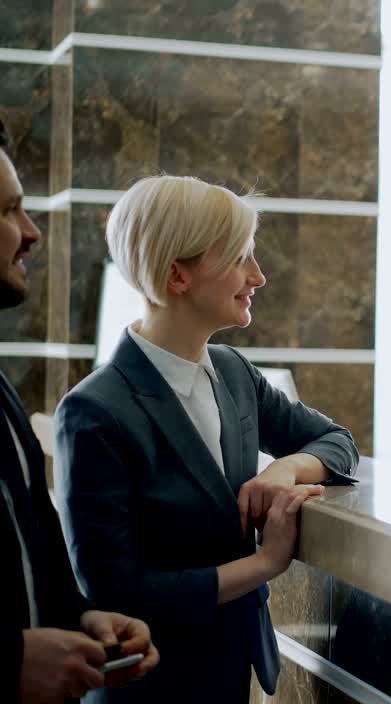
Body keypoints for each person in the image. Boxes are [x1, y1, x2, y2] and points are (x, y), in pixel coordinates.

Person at [54, 175, 359, 702]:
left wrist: (283, 468)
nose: (258, 277)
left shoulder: (236, 373)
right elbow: (116, 591)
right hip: (150, 686)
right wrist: (264, 565)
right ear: (178, 276)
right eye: (241, 259)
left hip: (230, 673)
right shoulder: (93, 412)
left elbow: (336, 441)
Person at [0, 118, 158, 701]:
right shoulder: (93, 407)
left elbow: (30, 543)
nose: (32, 232)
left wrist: (80, 617)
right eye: (10, 210)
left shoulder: (0, 390)